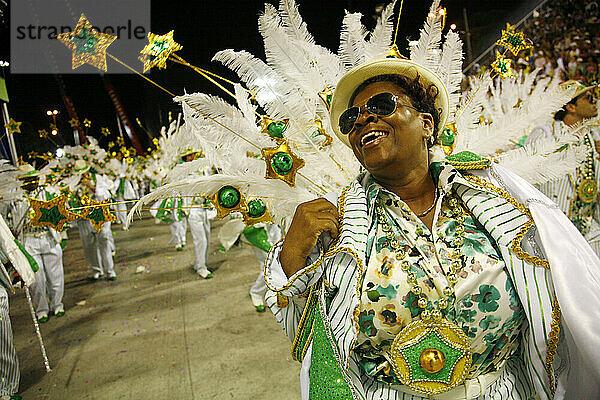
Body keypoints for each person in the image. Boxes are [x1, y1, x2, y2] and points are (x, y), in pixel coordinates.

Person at [264, 58, 600, 399]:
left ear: (427, 124)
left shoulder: (494, 196)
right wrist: (290, 259)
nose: (364, 118)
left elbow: (564, 295)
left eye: (382, 105)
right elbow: (307, 341)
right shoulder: (337, 225)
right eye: (352, 118)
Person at [527, 81, 600, 255]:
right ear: (570, 107)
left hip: (591, 232)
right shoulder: (545, 135)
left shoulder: (593, 137)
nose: (595, 101)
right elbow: (526, 182)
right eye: (588, 98)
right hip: (554, 231)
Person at [11, 164, 65, 323]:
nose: (32, 182)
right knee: (37, 279)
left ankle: (57, 305)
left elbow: (60, 214)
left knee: (55, 275)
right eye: (27, 180)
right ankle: (41, 309)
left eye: (34, 179)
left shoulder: (48, 192)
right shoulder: (14, 199)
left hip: (48, 238)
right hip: (29, 240)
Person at [74, 160, 117, 281]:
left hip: (100, 215)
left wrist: (90, 186)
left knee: (104, 241)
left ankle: (110, 270)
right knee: (89, 245)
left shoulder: (98, 178)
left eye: (83, 172)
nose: (82, 175)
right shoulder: (73, 184)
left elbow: (105, 196)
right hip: (84, 219)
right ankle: (96, 269)